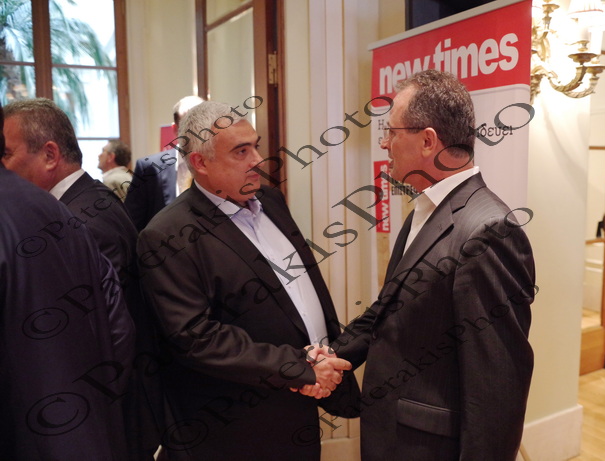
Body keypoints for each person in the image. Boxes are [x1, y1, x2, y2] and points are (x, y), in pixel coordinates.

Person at [312, 70, 536, 460]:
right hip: (393, 434)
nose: (385, 143)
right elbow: (388, 310)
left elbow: (497, 386)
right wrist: (333, 354)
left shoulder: (488, 231)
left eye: (391, 132)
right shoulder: (427, 208)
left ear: (428, 141)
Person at [136, 100, 359, 460]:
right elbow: (197, 338)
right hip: (232, 428)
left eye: (255, 146)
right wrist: (299, 367)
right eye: (241, 151)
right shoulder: (167, 234)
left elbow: (297, 292)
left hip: (298, 406)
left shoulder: (271, 200)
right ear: (200, 163)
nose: (257, 159)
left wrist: (319, 362)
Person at [2, 98, 163, 460]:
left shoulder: (79, 221)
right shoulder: (86, 201)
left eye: (7, 153)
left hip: (104, 416)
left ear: (49, 154)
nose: (3, 166)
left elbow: (112, 334)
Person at [125, 95, 204, 231]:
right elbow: (132, 226)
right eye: (189, 125)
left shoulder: (222, 164)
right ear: (175, 129)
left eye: (202, 124)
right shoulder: (149, 168)